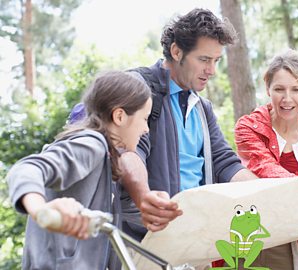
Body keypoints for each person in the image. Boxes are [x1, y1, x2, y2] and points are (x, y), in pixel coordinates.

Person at [69, 8, 258, 241]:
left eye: (216, 60)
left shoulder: (202, 108)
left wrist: (263, 195)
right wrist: (145, 197)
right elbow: (128, 153)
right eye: (204, 59)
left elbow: (224, 163)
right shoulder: (140, 90)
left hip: (192, 235)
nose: (212, 70)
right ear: (176, 51)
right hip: (145, 237)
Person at [7, 71, 152, 269]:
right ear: (119, 116)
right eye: (144, 119)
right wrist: (41, 209)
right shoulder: (92, 145)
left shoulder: (107, 160)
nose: (146, 129)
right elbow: (26, 169)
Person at [232, 50, 298, 270]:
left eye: (296, 90)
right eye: (279, 89)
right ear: (267, 89)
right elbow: (264, 167)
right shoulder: (249, 127)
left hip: (292, 242)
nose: (287, 99)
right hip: (249, 236)